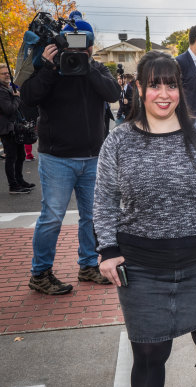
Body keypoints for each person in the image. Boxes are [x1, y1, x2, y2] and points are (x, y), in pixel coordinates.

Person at [94, 51, 196, 387]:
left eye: (171, 85)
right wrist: (106, 249)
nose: (163, 94)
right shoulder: (118, 140)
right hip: (141, 267)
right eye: (154, 85)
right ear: (138, 88)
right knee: (148, 352)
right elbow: (103, 200)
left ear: (180, 88)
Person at [21, 11, 119, 295]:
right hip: (57, 159)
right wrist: (50, 69)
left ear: (90, 47)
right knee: (52, 217)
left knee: (92, 215)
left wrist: (86, 68)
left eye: (84, 46)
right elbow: (27, 98)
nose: (77, 52)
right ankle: (40, 273)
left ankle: (88, 266)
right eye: (72, 45)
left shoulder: (96, 68)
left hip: (92, 158)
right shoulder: (49, 69)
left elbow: (113, 94)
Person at [0, 63, 31, 194]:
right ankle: (13, 185)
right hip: (7, 129)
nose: (7, 75)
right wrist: (16, 98)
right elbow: (9, 109)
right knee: (12, 157)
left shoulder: (8, 87)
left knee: (20, 155)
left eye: (8, 73)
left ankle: (20, 180)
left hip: (14, 127)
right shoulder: (1, 91)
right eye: (4, 73)